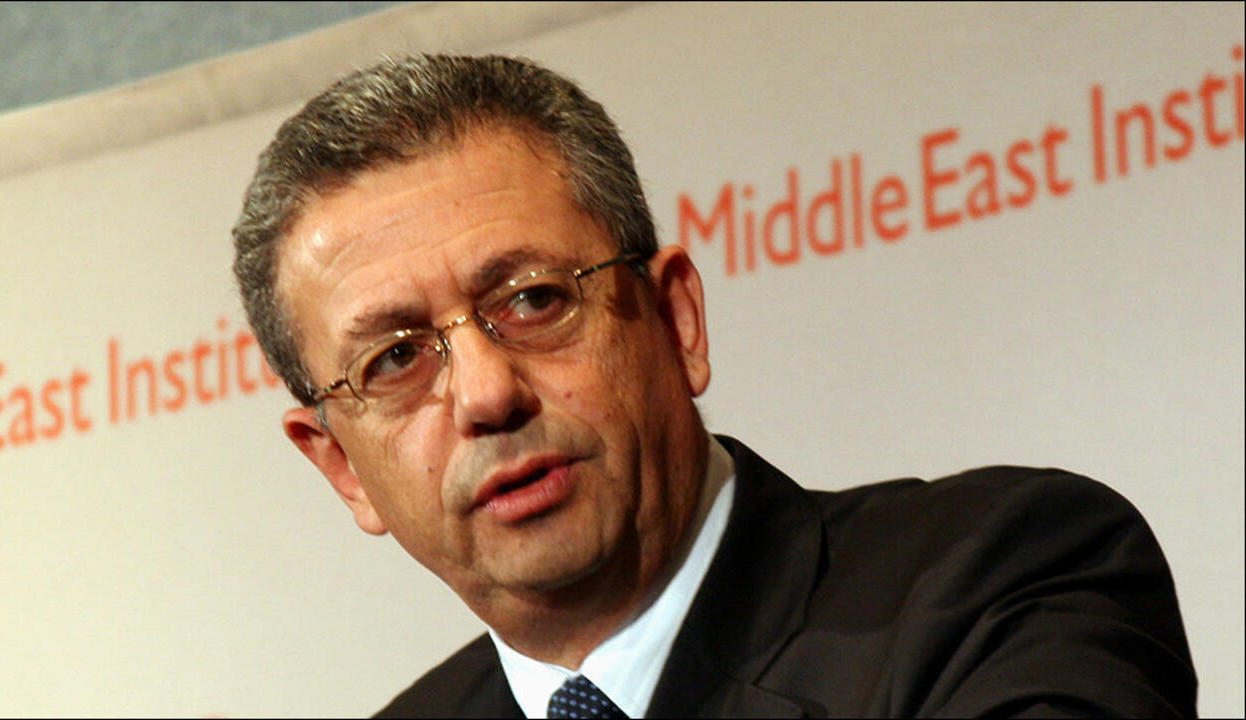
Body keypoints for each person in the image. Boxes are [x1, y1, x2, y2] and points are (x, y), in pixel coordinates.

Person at [232, 55, 1196, 718]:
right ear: (341, 468)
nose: (487, 395)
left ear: (676, 320)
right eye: (396, 359)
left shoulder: (1005, 581)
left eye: (533, 300)